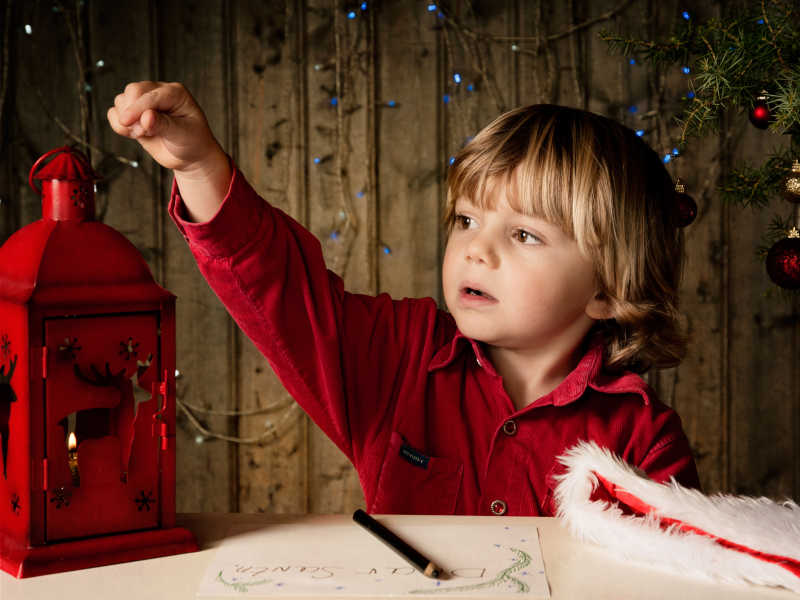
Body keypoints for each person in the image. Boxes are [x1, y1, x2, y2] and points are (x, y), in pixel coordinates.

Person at [108, 81, 700, 516]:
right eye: (467, 219)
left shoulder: (644, 439)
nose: (476, 250)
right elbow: (283, 290)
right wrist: (200, 165)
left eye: (523, 234)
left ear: (605, 290)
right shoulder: (399, 355)